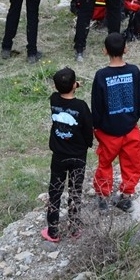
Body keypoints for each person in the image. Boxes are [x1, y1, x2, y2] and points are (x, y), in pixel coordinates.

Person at [90, 32, 140, 212]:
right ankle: (126, 196)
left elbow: (96, 103)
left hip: (107, 131)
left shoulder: (101, 75)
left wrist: (97, 125)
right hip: (130, 128)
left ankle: (102, 197)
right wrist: (136, 115)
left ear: (105, 51)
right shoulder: (134, 71)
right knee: (132, 163)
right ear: (126, 49)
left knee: (105, 163)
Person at [44, 66, 93, 243]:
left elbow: (61, 90)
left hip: (58, 155)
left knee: (55, 190)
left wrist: (71, 85)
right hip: (78, 155)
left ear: (55, 87)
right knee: (75, 190)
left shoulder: (54, 99)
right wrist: (88, 143)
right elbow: (88, 129)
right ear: (74, 85)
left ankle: (53, 230)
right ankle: (74, 227)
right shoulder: (81, 106)